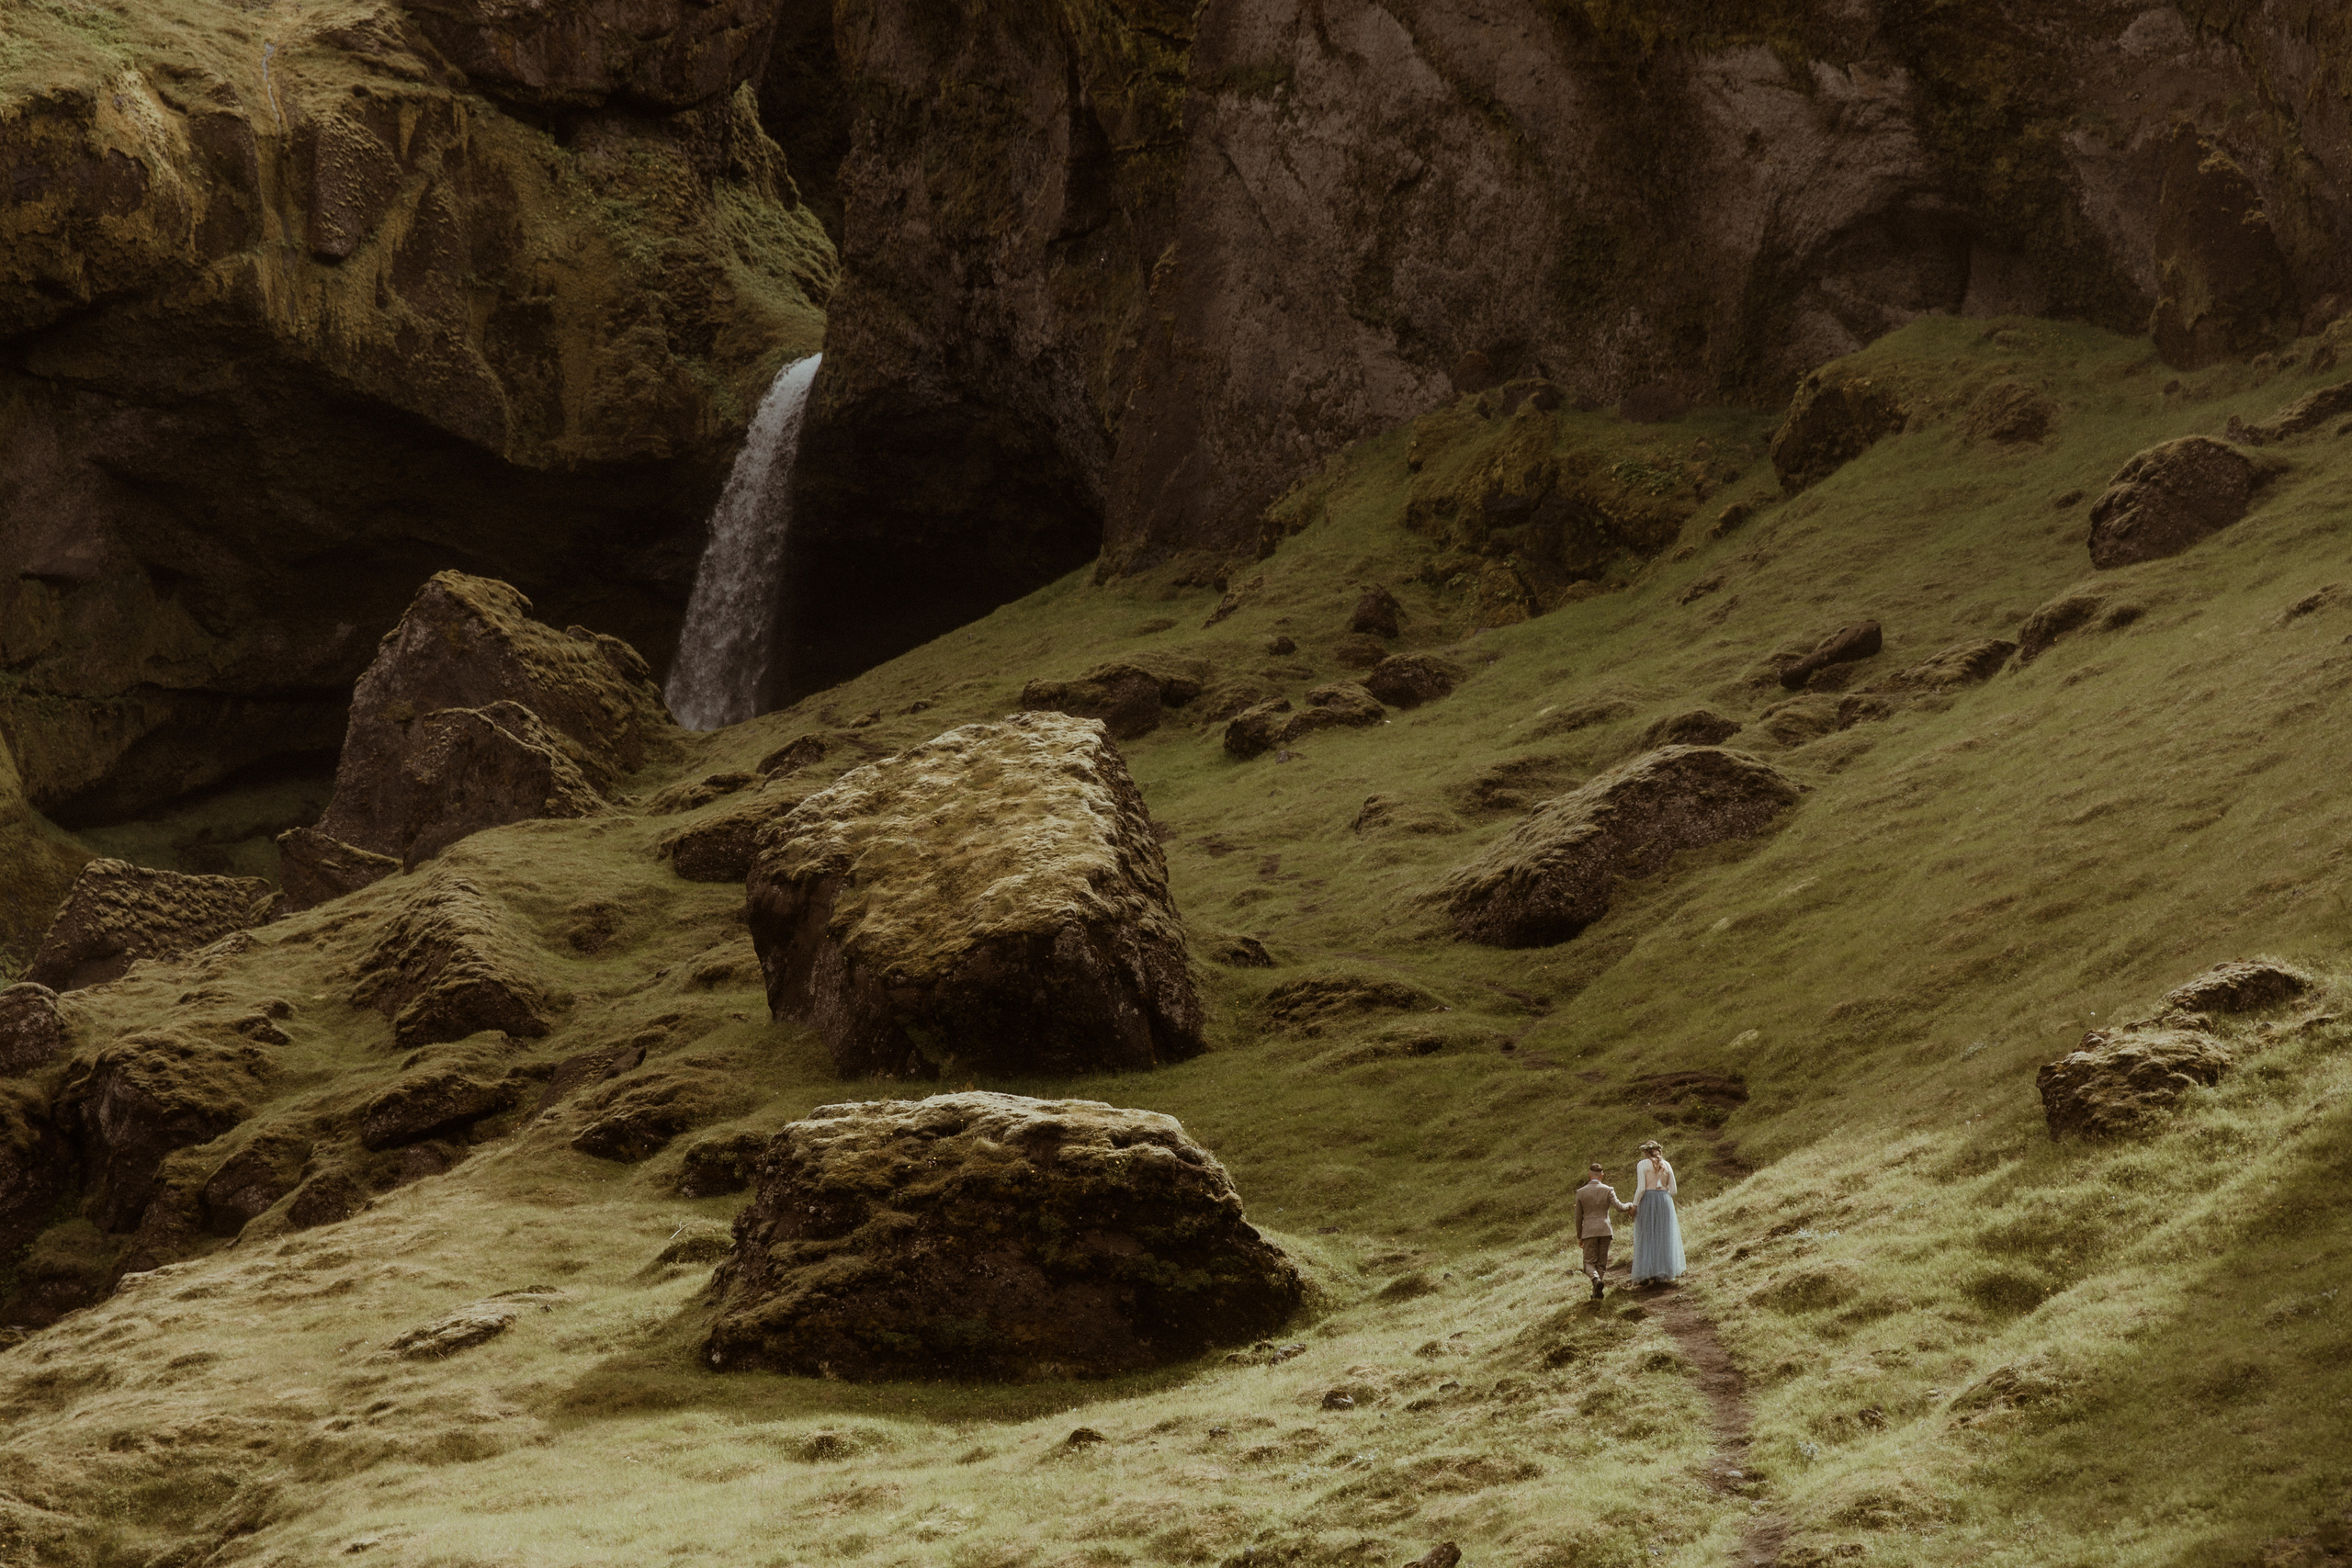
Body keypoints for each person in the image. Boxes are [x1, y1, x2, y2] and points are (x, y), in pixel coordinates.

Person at [1573, 1163, 1634, 1301]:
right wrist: (1630, 1205)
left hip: (1589, 1232)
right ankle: (1597, 1292)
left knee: (1588, 1263)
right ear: (1602, 1175)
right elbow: (1619, 1207)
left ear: (1589, 1175)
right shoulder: (1608, 1190)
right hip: (1605, 1230)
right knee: (1601, 1263)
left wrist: (1580, 1236)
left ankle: (1595, 1280)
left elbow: (1578, 1217)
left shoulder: (1581, 1192)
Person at [1630, 1139, 1686, 1286]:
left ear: (1645, 1152)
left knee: (1647, 1234)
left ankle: (1646, 1273)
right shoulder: (1667, 1165)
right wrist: (1663, 1195)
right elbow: (1673, 1190)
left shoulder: (1642, 1164)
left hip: (1648, 1200)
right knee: (1664, 1234)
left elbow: (1641, 1188)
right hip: (1665, 1200)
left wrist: (1635, 1205)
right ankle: (1664, 1271)